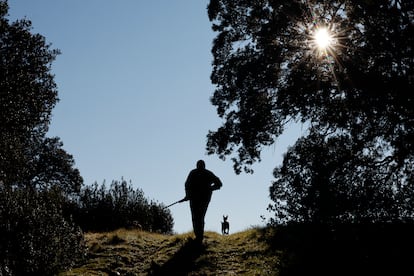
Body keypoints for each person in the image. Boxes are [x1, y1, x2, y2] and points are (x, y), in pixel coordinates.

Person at [184, 160, 222, 244]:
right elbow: (187, 185)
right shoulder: (194, 173)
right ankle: (198, 236)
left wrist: (210, 188)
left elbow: (219, 184)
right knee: (197, 216)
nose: (200, 167)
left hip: (203, 199)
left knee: (199, 216)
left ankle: (199, 236)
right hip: (194, 198)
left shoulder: (206, 173)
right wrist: (187, 195)